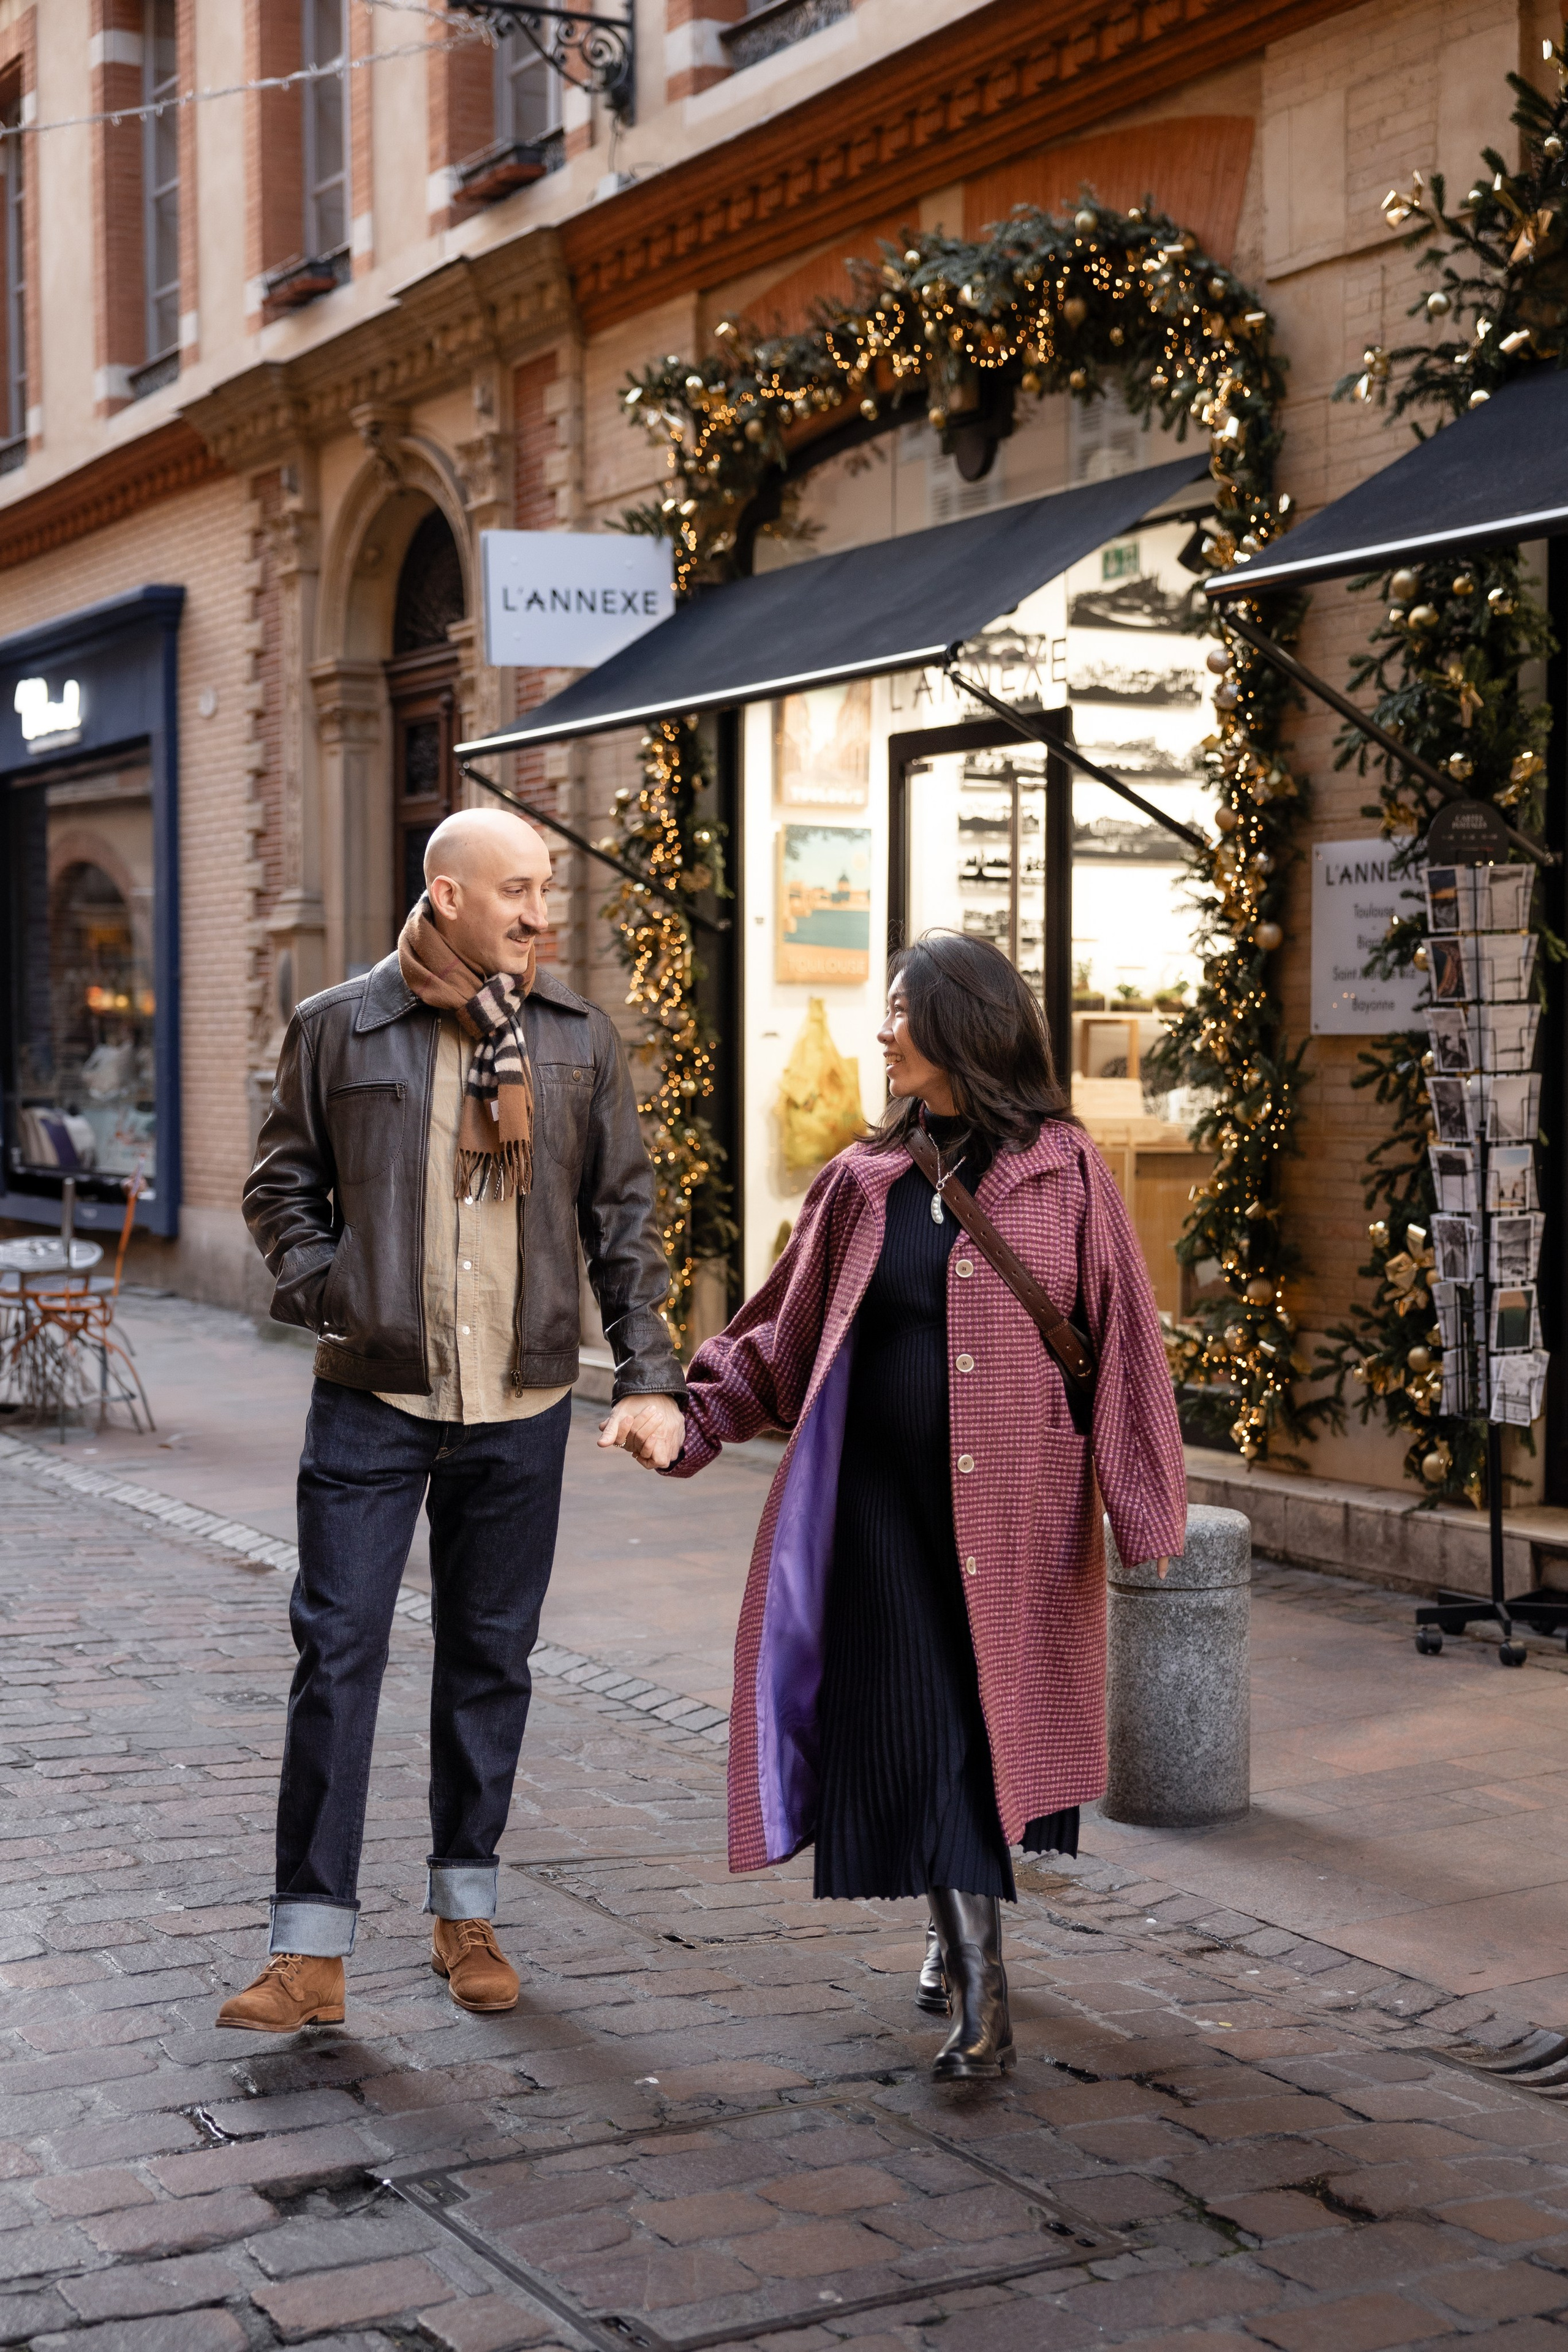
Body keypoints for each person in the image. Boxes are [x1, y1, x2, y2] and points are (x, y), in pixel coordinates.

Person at [632, 933, 1186, 2081]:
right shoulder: (861, 1183)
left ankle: (958, 1945)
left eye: (898, 1011)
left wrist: (1146, 1512)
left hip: (1016, 1516)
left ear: (961, 1025)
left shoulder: (1068, 1172)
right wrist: (688, 1422)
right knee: (927, 1725)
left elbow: (1130, 1344)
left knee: (980, 1736)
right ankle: (983, 1987)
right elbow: (775, 1341)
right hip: (882, 1515)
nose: (879, 1032)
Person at [220, 807, 686, 2033]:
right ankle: (307, 1952)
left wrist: (648, 1371)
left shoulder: (580, 1043)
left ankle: (462, 1913)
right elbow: (280, 1184)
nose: (542, 913)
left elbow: (622, 1227)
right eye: (518, 891)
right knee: (337, 1655)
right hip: (372, 1397)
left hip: (519, 1403)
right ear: (445, 894)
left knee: (490, 1662)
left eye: (545, 891)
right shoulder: (339, 1026)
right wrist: (335, 1293)